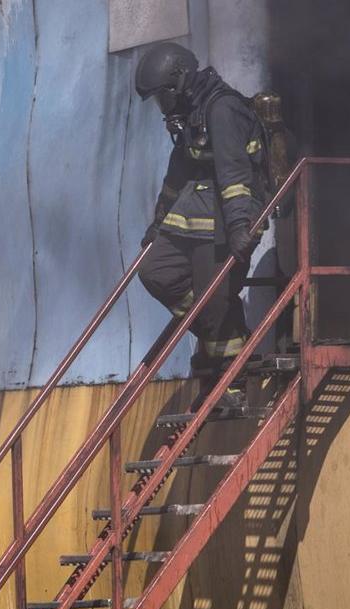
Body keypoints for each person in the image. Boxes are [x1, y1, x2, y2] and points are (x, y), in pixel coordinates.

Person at [134, 41, 269, 399]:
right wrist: (158, 224)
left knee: (214, 302)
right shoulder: (191, 115)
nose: (162, 105)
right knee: (155, 272)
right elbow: (176, 176)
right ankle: (221, 332)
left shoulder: (221, 110)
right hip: (204, 211)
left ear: (179, 80)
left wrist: (242, 228)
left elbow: (235, 176)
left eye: (162, 95)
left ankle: (234, 382)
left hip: (232, 214)